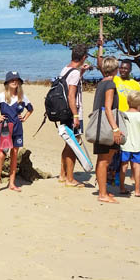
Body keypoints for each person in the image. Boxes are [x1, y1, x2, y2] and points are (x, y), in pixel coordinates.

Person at [0, 71, 34, 193]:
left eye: (17, 80)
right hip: (6, 128)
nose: (14, 82)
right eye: (12, 80)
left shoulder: (22, 97)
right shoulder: (1, 96)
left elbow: (31, 109)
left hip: (18, 128)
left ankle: (12, 183)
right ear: (7, 83)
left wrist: (24, 118)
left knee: (14, 154)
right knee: (2, 155)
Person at [91, 56, 124, 203]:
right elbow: (108, 108)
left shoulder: (101, 83)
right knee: (104, 160)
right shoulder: (110, 84)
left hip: (100, 125)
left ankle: (102, 190)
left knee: (103, 159)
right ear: (115, 69)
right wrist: (115, 128)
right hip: (106, 125)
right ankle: (102, 194)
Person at [58, 44, 92, 187]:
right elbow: (71, 95)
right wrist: (76, 116)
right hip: (72, 113)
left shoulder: (65, 69)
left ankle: (63, 174)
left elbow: (68, 87)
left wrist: (81, 72)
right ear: (84, 57)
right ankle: (70, 179)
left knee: (68, 143)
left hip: (64, 111)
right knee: (73, 144)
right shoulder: (74, 73)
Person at [118, 90, 140, 197]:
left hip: (125, 145)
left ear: (128, 102)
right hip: (138, 145)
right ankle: (137, 190)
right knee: (137, 166)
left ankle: (122, 187)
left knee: (123, 166)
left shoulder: (123, 115)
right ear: (139, 103)